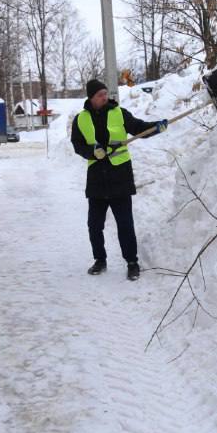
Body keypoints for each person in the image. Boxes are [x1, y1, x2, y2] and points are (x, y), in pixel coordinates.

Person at [70, 79, 168, 281]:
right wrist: (92, 152)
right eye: (100, 95)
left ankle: (132, 263)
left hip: (119, 177)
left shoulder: (119, 113)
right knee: (94, 225)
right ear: (91, 97)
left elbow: (138, 127)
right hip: (97, 179)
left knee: (125, 224)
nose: (105, 97)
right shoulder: (80, 119)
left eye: (105, 93)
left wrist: (155, 128)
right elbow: (77, 144)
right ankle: (100, 260)